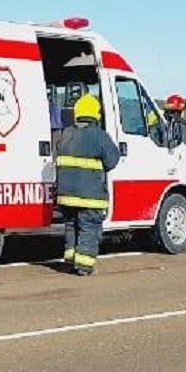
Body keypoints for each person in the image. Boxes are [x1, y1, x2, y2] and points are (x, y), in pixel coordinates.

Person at [54, 92, 122, 275]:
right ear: (96, 114)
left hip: (66, 196)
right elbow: (112, 161)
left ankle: (70, 260)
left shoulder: (66, 134)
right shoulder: (99, 136)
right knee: (89, 228)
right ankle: (83, 265)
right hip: (89, 197)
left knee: (71, 226)